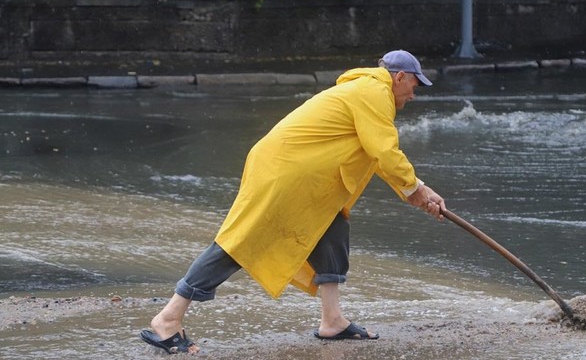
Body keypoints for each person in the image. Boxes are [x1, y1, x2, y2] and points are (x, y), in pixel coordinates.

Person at [139, 50, 447, 354]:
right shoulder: (374, 90)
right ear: (400, 77)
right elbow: (385, 150)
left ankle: (333, 320)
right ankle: (168, 318)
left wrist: (418, 189)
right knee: (242, 241)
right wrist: (414, 192)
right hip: (286, 172)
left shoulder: (366, 90)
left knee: (332, 229)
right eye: (415, 86)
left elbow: (376, 154)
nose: (414, 94)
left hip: (306, 176)